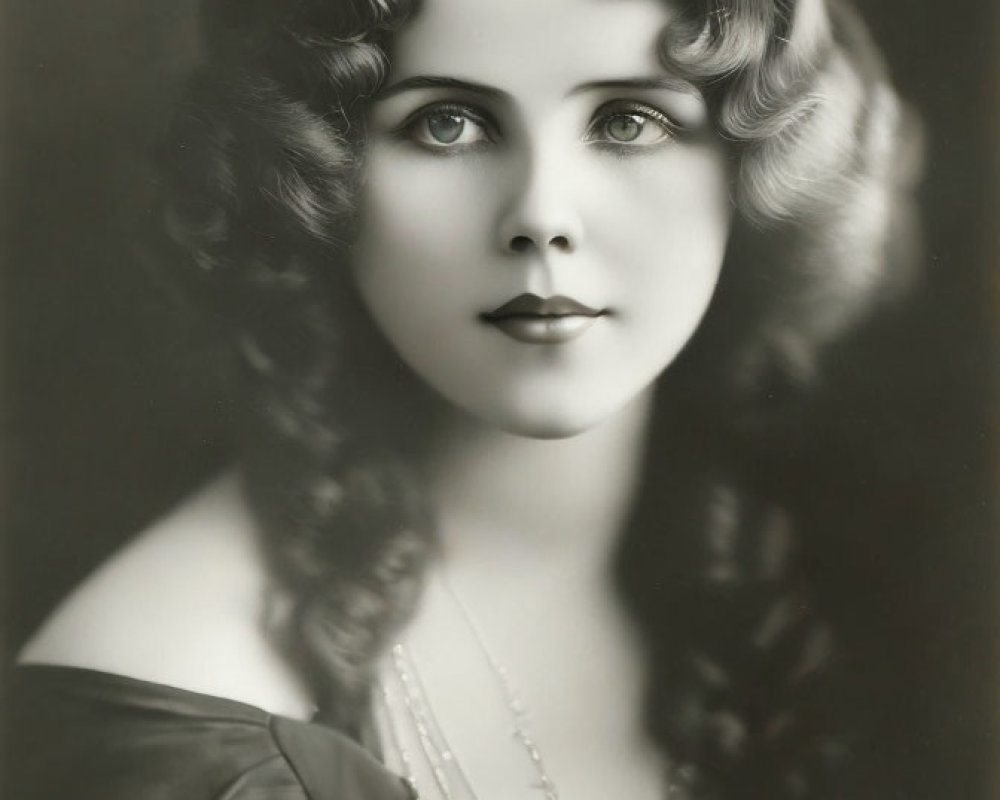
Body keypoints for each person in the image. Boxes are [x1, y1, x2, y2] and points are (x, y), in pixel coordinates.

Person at [7, 0, 921, 797]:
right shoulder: (169, 721)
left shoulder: (883, 575)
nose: (542, 213)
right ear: (322, 172)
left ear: (751, 163)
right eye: (447, 124)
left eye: (630, 121)